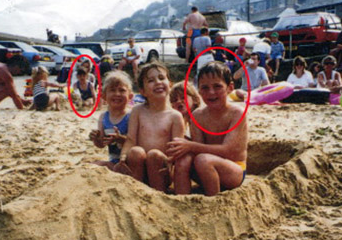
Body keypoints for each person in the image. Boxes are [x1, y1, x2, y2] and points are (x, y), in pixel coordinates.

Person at [167, 61, 248, 196]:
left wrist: (191, 145)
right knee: (184, 159)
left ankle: (213, 202)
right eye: (205, 88)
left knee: (203, 159)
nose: (211, 92)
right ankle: (181, 201)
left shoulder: (237, 114)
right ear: (199, 91)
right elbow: (198, 149)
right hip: (206, 169)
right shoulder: (197, 115)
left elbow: (228, 151)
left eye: (217, 86)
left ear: (230, 88)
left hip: (234, 170)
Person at [115, 62, 185, 192]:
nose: (158, 82)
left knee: (154, 155)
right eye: (151, 80)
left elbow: (176, 149)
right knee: (136, 151)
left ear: (170, 84)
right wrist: (123, 158)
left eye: (161, 78)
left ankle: (157, 196)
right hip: (138, 167)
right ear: (143, 91)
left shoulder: (175, 116)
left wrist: (170, 161)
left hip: (161, 168)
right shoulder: (138, 111)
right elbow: (130, 139)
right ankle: (137, 193)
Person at [89, 71, 133, 170]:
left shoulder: (131, 116)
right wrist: (96, 138)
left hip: (131, 161)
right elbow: (101, 144)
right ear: (104, 96)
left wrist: (120, 138)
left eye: (122, 90)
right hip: (114, 161)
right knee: (92, 165)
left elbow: (135, 142)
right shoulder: (103, 117)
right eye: (112, 90)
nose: (117, 94)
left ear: (130, 96)